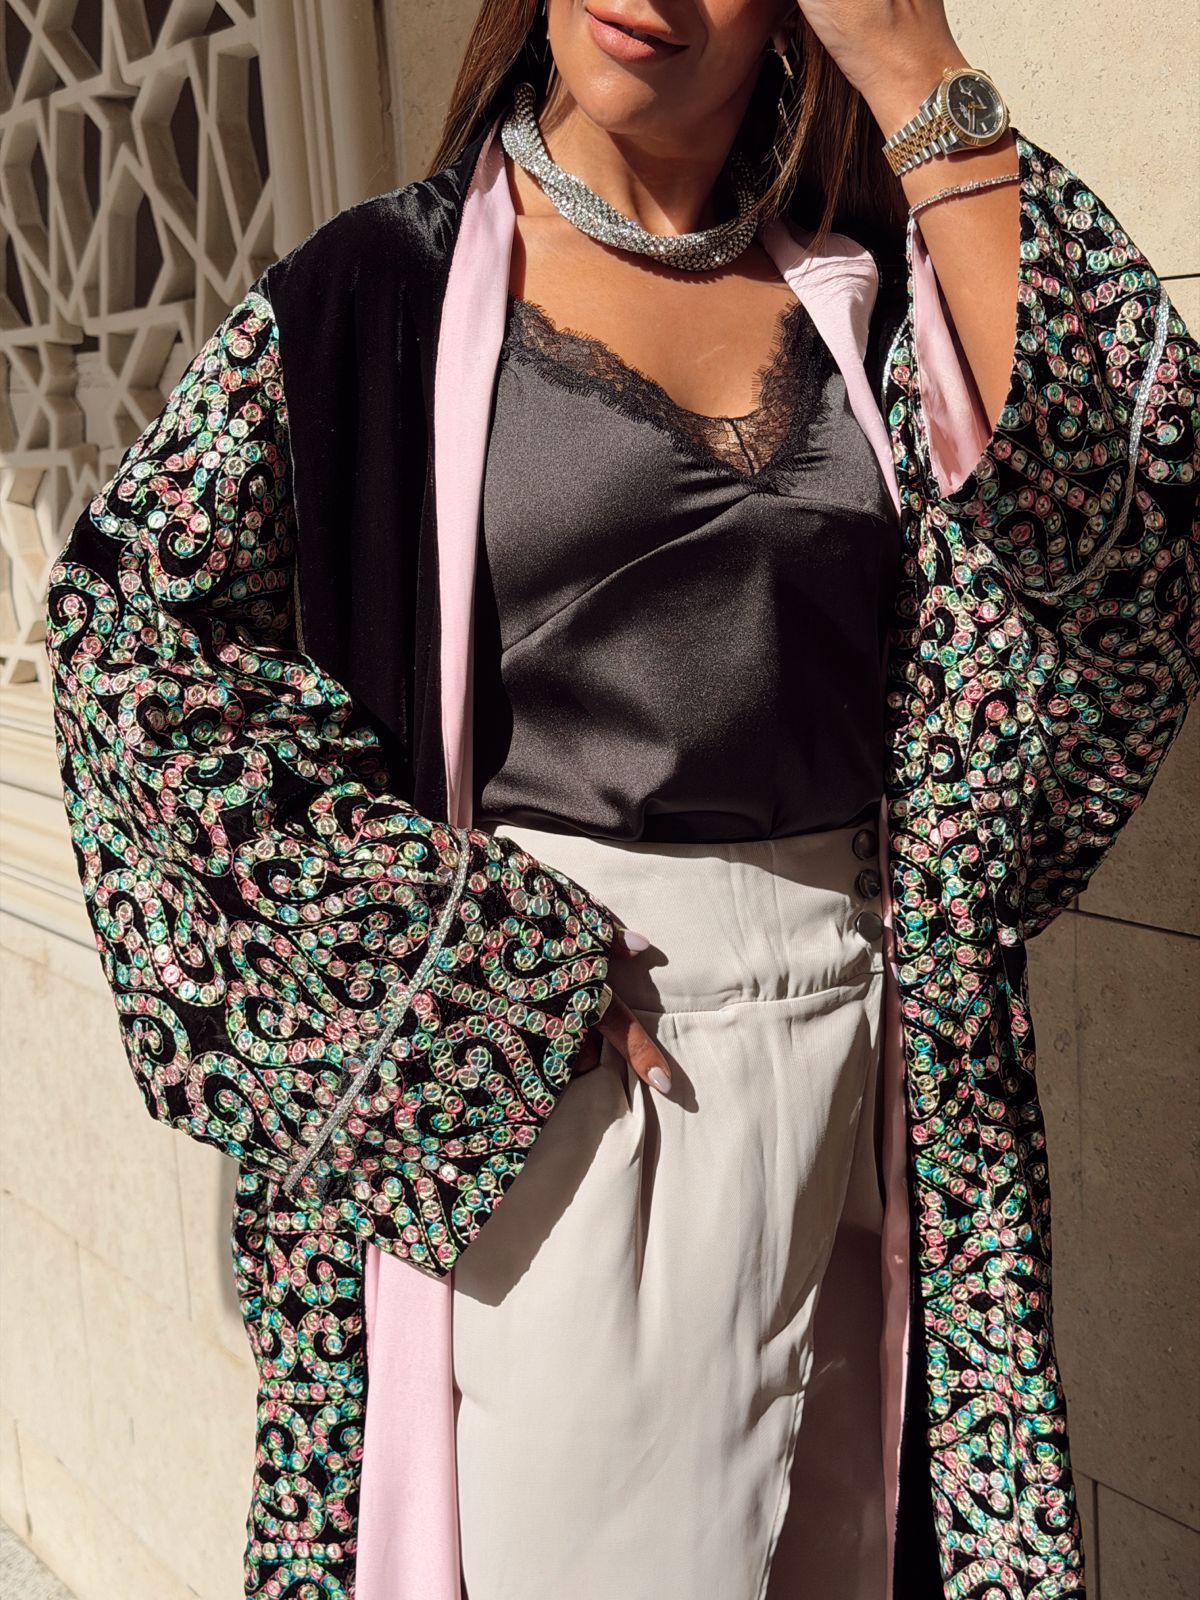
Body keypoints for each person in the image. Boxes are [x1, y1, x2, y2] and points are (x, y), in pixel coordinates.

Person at [43, 1, 1198, 1597]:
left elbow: (1134, 538)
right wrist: (471, 960)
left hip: (886, 1092)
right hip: (579, 1083)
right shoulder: (373, 295)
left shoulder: (872, 297)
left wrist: (912, 67)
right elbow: (122, 634)